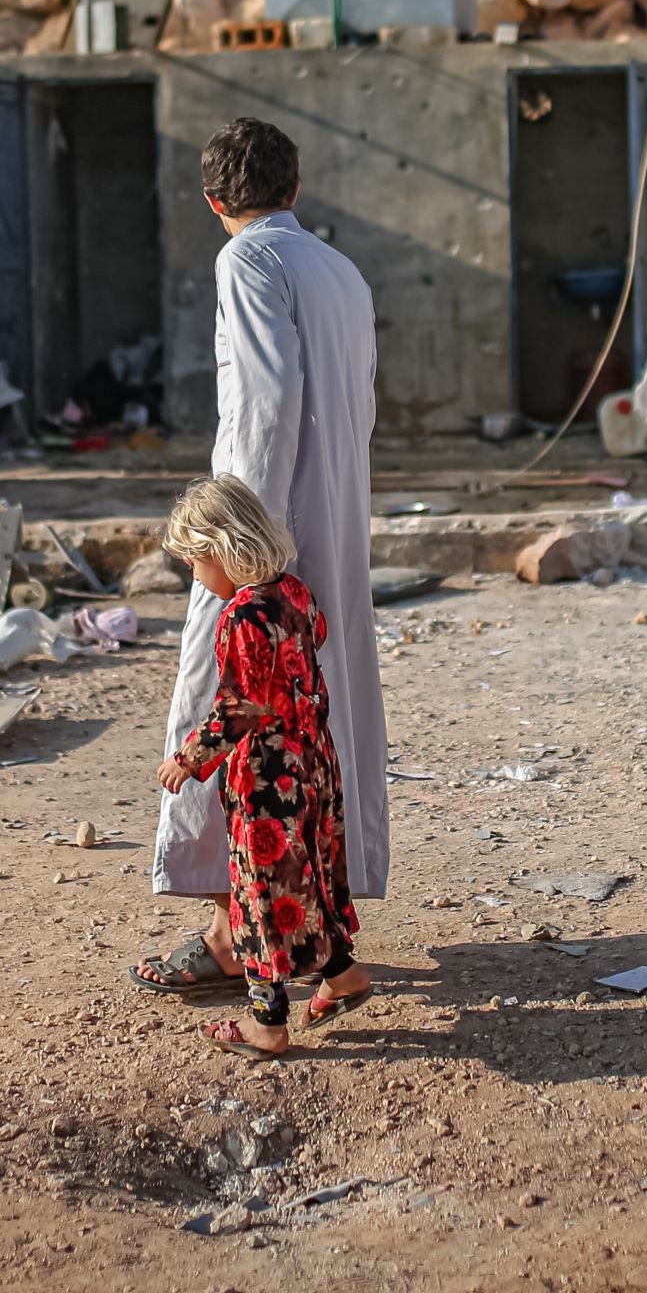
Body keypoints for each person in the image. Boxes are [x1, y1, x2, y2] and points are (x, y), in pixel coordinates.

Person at [131, 118, 388, 1012]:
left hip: (268, 540)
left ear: (214, 203)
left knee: (226, 716)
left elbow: (264, 409)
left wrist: (242, 553)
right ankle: (312, 934)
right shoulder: (340, 271)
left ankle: (229, 937)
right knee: (313, 729)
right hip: (335, 531)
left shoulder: (247, 262)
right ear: (298, 186)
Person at [154, 475, 363, 1057]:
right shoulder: (294, 593)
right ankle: (342, 974)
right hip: (313, 760)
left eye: (196, 563)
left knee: (260, 893)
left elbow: (241, 708)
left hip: (267, 778)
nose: (195, 577)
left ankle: (266, 1023)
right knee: (312, 874)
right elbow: (313, 640)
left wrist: (187, 759)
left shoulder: (243, 615)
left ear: (221, 549)